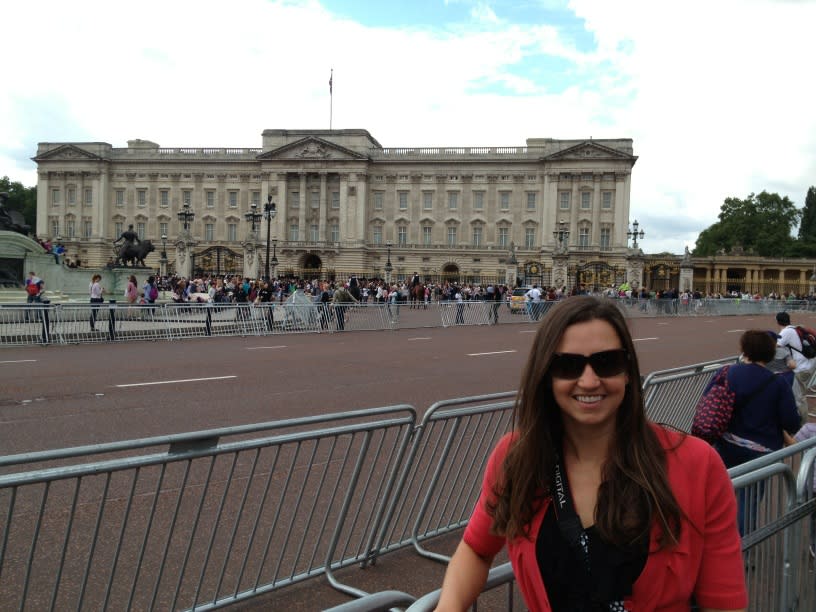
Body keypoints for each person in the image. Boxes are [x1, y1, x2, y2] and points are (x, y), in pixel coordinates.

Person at [435, 296, 747, 611]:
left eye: (607, 362)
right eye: (568, 365)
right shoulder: (516, 456)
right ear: (546, 375)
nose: (588, 381)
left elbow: (724, 603)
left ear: (627, 371)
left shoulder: (698, 464)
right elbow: (476, 549)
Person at [709, 330, 800, 535]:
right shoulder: (778, 383)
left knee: (718, 493)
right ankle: (742, 548)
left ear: (744, 350)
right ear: (770, 354)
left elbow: (709, 403)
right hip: (762, 451)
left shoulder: (726, 372)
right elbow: (791, 421)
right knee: (748, 501)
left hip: (726, 445)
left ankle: (713, 541)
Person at [776, 311, 815, 420]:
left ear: (777, 321)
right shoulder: (795, 328)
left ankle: (802, 423)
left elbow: (774, 347)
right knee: (798, 394)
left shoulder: (785, 332)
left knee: (799, 397)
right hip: (809, 364)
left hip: (801, 368)